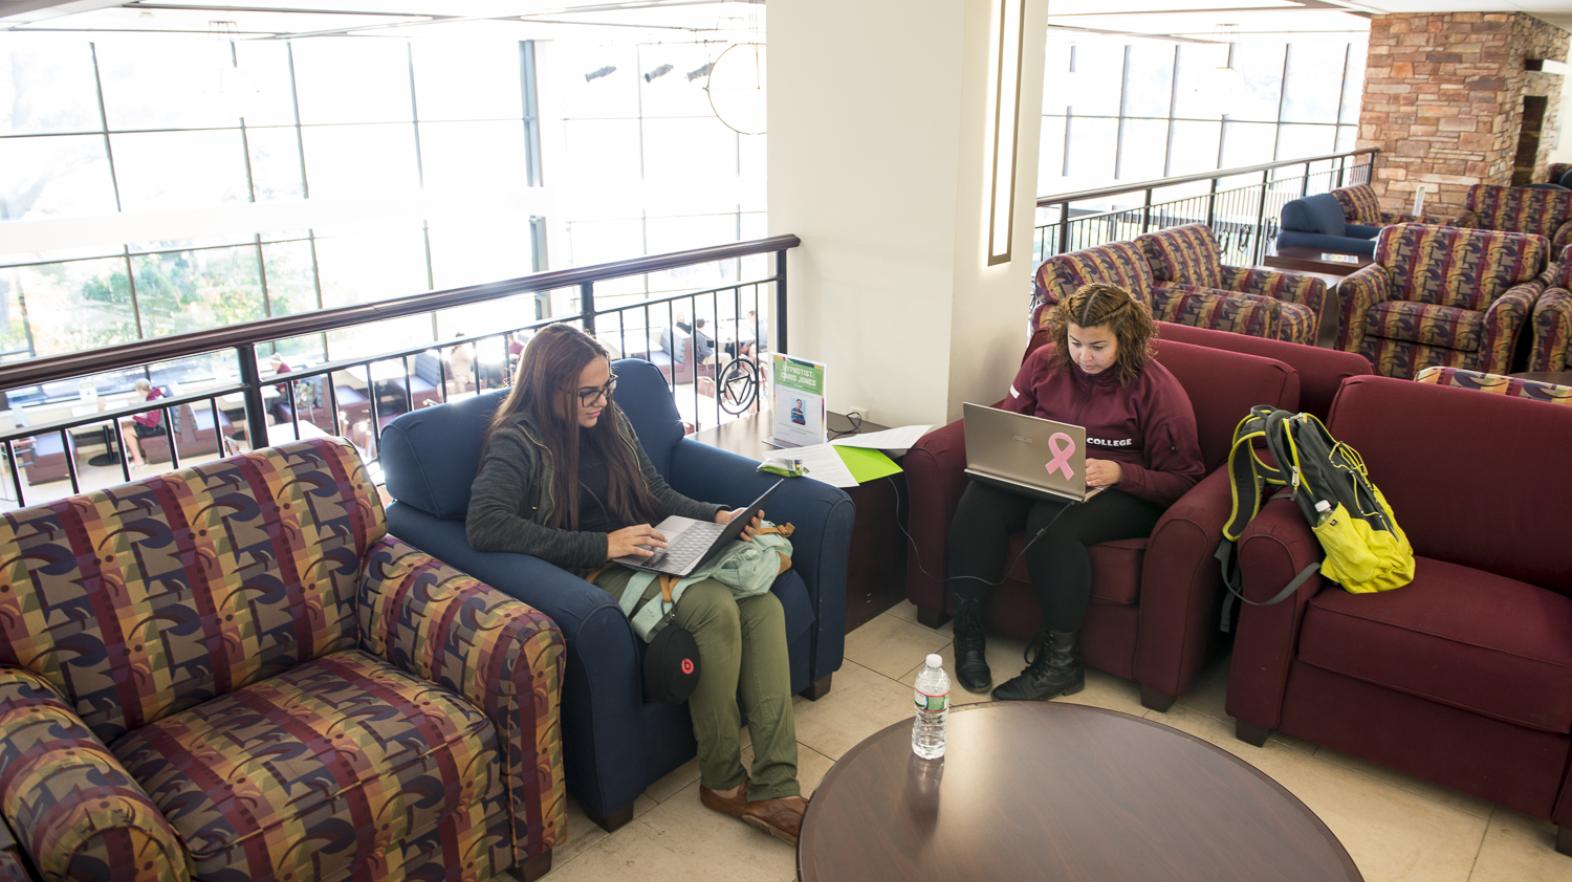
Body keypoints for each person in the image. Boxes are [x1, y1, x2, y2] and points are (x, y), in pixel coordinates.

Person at [465, 323, 809, 843]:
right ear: (549, 387)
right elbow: (485, 524)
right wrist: (604, 546)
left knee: (762, 607)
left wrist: (717, 516)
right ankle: (720, 779)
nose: (602, 399)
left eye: (608, 387)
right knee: (714, 606)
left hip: (643, 549)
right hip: (588, 568)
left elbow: (655, 490)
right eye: (589, 391)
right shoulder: (518, 439)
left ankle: (777, 784)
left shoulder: (608, 419)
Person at [946, 283, 1204, 701]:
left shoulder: (1158, 391)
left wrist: (1121, 473)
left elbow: (1185, 479)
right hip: (1048, 476)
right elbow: (1012, 422)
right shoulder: (1043, 363)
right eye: (1075, 342)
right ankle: (968, 630)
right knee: (980, 499)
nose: (1085, 356)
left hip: (1125, 491)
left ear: (1128, 337)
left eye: (1098, 346)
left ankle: (1062, 665)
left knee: (1051, 524)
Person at [119, 379, 166, 467]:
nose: (138, 393)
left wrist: (134, 417)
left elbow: (152, 423)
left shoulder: (153, 399)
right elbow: (149, 413)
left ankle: (138, 460)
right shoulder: (154, 394)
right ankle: (133, 451)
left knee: (126, 431)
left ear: (141, 389)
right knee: (126, 424)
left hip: (159, 428)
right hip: (158, 424)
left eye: (137, 390)